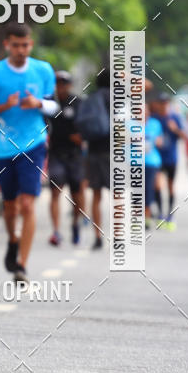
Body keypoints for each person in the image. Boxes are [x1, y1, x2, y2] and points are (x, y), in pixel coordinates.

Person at [0, 24, 58, 283]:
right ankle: (13, 238)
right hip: (2, 146)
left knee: (27, 204)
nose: (21, 50)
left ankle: (22, 264)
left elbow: (54, 106)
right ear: (7, 45)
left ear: (31, 45)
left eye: (25, 45)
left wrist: (38, 103)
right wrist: (5, 105)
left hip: (34, 144)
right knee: (10, 206)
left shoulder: (43, 70)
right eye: (15, 45)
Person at [46, 71, 84, 246]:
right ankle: (56, 231)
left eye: (64, 83)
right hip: (56, 153)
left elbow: (84, 127)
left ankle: (76, 223)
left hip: (75, 155)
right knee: (55, 191)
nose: (60, 86)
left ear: (69, 85)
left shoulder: (77, 102)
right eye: (58, 83)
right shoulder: (49, 103)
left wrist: (80, 137)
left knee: (78, 193)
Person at [78, 69, 111, 250]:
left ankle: (97, 235)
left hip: (92, 152)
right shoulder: (117, 99)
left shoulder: (90, 99)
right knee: (118, 196)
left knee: (96, 195)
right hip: (113, 152)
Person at [154, 92, 185, 228]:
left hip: (171, 157)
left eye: (165, 103)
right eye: (161, 103)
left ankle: (170, 214)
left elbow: (184, 136)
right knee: (157, 185)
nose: (163, 105)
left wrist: (175, 129)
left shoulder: (175, 117)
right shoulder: (155, 118)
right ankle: (160, 213)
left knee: (170, 186)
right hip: (158, 158)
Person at [144, 104, 163, 228]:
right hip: (135, 162)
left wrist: (155, 141)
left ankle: (150, 216)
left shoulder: (155, 124)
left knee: (149, 188)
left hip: (151, 161)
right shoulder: (130, 125)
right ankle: (142, 216)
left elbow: (160, 142)